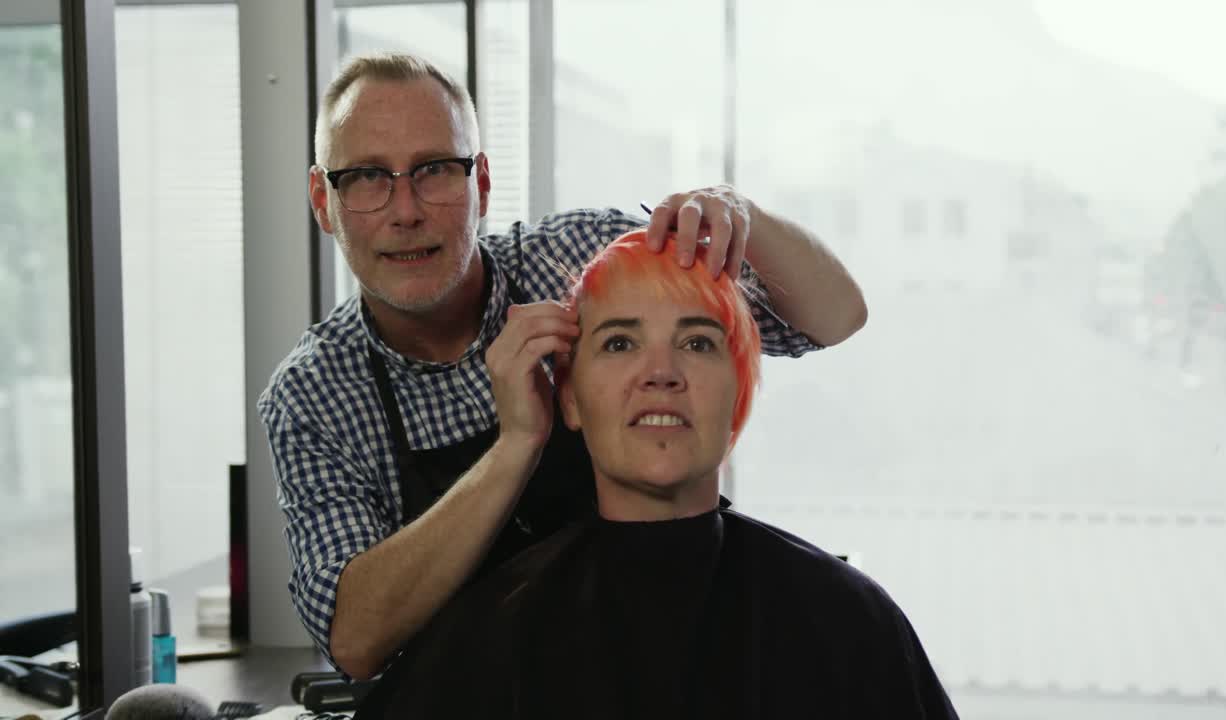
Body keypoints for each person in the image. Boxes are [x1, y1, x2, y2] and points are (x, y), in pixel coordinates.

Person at [258, 51, 868, 681]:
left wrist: (745, 216)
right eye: (366, 178)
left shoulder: (581, 260)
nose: (405, 209)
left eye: (436, 169)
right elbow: (357, 639)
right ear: (322, 202)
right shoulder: (312, 394)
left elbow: (834, 317)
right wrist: (518, 442)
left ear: (483, 184)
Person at [356, 230, 956, 719]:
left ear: (739, 395)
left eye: (697, 343)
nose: (661, 372)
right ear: (568, 400)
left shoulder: (851, 625)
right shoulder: (485, 641)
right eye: (619, 344)